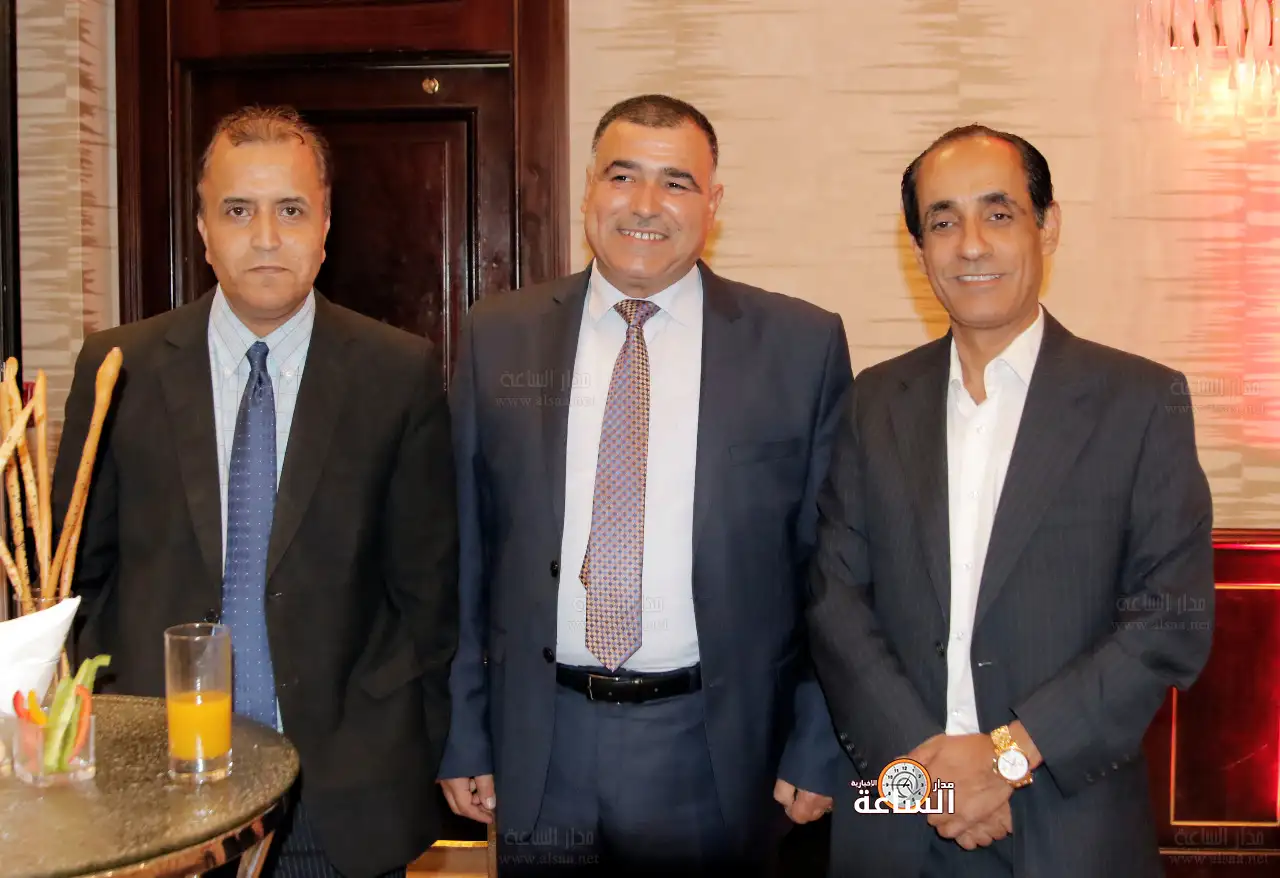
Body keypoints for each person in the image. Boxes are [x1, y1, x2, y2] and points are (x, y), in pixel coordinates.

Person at [438, 93, 850, 877]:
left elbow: (831, 571)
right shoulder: (500, 336)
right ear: (588, 190)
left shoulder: (800, 348)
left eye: (676, 182)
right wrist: (464, 728)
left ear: (713, 204)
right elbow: (463, 550)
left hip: (715, 748)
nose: (645, 204)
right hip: (541, 743)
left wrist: (818, 738)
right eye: (623, 176)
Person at [53, 105, 459, 878]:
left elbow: (429, 596)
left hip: (339, 795)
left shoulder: (397, 373)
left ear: (326, 226)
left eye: (291, 210)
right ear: (203, 230)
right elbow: (79, 581)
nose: (266, 236)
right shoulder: (118, 368)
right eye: (238, 210)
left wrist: (407, 743)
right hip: (155, 793)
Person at [806, 123, 1215, 878]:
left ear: (1047, 226)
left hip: (1068, 816)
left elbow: (1167, 620)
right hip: (900, 809)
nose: (971, 245)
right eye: (943, 222)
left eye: (998, 214)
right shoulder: (874, 402)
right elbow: (836, 600)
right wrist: (928, 769)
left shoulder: (1139, 403)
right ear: (918, 248)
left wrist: (1005, 757)